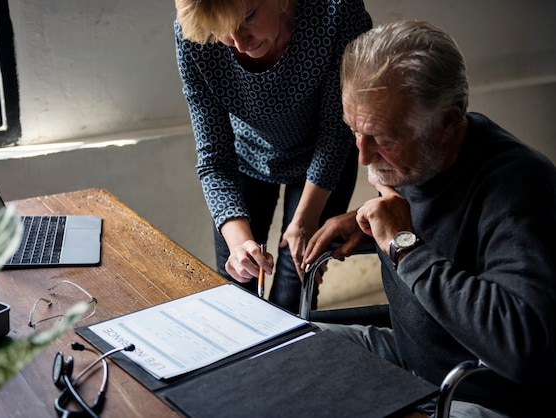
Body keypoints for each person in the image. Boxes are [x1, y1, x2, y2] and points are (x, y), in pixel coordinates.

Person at [303, 20, 556, 418]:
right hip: (409, 358)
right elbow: (444, 232)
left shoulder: (519, 188)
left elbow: (524, 349)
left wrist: (403, 244)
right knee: (284, 352)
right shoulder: (417, 159)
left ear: (448, 123)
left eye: (382, 139)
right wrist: (366, 222)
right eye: (354, 130)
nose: (363, 156)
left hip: (478, 394)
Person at [174, 0, 372, 312]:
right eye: (222, 32)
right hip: (245, 157)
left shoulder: (337, 10)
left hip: (323, 160)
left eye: (248, 18)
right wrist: (240, 245)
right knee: (238, 291)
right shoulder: (197, 37)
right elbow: (214, 158)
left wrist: (305, 220)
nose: (239, 43)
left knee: (294, 293)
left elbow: (336, 130)